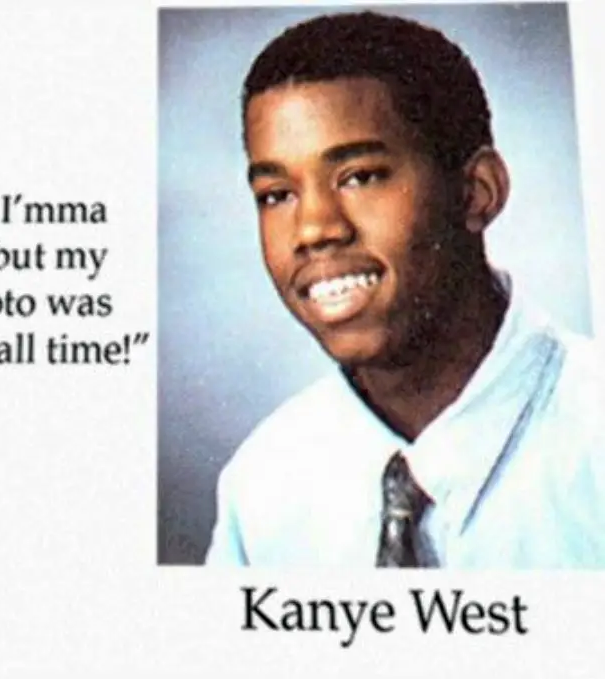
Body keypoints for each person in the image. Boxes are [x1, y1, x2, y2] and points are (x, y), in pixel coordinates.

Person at [206, 10, 605, 568]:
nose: (315, 229)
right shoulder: (262, 488)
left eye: (361, 177)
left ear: (476, 193)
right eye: (276, 194)